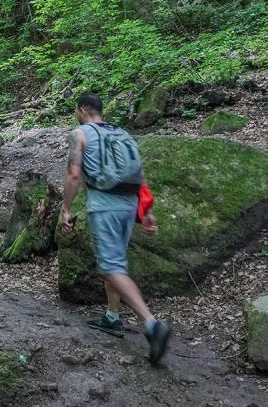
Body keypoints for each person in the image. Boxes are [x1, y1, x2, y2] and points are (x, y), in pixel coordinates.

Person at [60, 92, 171, 365]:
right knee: (116, 263)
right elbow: (139, 174)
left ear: (83, 110)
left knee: (110, 266)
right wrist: (145, 211)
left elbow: (74, 174)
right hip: (128, 205)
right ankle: (112, 317)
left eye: (78, 111)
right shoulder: (121, 133)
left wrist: (65, 209)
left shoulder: (79, 134)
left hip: (105, 205)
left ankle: (152, 325)